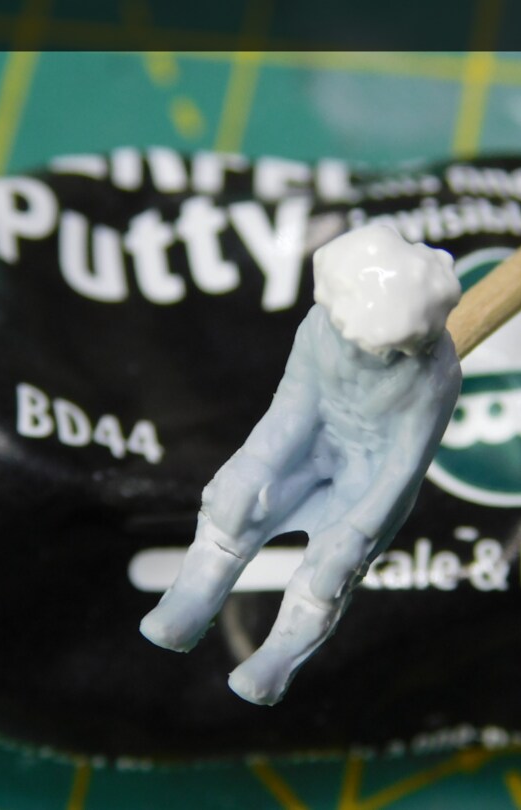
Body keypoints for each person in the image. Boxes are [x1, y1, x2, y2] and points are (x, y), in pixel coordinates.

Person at [140, 223, 462, 705]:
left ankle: (279, 655)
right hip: (312, 438)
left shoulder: (435, 376)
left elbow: (402, 466)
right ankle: (191, 599)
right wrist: (255, 465)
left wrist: (358, 528)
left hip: (371, 471)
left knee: (332, 566)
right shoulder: (319, 327)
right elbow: (293, 403)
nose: (359, 351)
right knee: (236, 502)